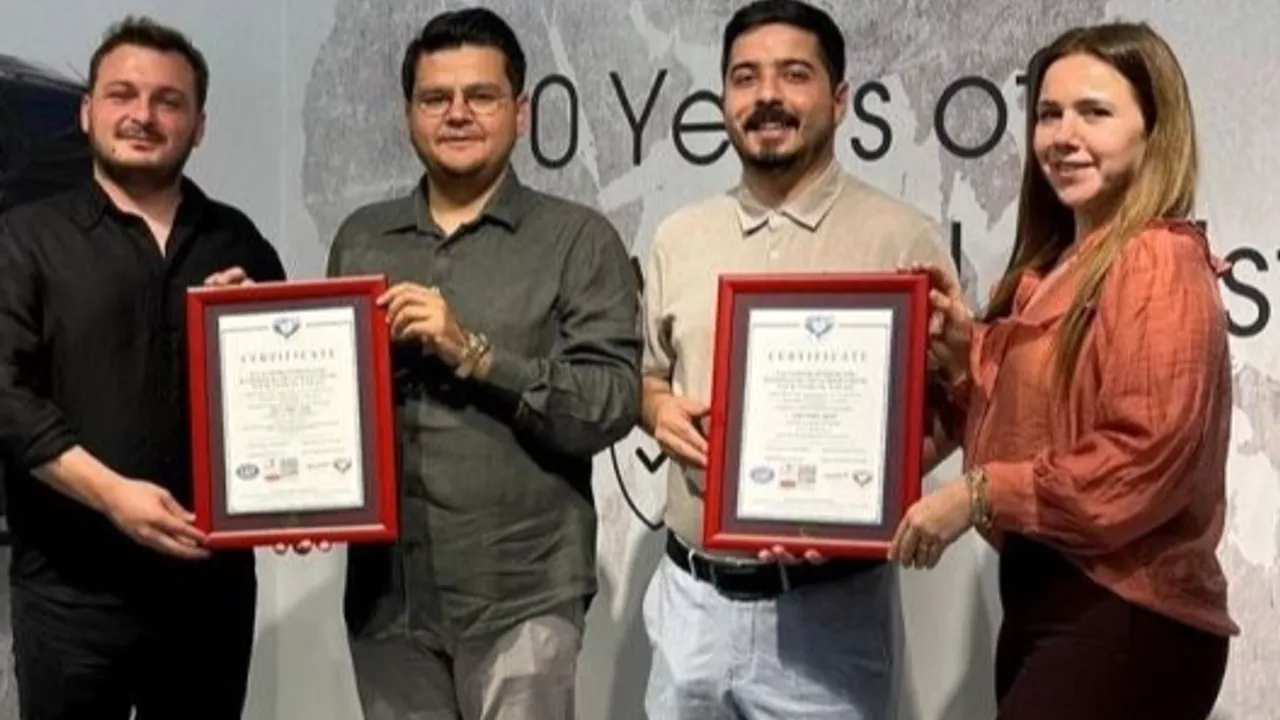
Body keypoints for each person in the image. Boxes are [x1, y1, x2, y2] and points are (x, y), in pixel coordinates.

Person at [888, 21, 1238, 720]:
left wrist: (977, 494)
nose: (1062, 136)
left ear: (1154, 131)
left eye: (1094, 112)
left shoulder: (1155, 259)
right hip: (1056, 604)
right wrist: (965, 361)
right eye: (1049, 114)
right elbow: (1043, 426)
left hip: (1123, 612)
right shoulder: (1054, 270)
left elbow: (1140, 458)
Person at [638, 1, 957, 717]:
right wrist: (656, 410)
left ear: (839, 100)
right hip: (690, 602)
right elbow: (649, 376)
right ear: (723, 99)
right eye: (745, 78)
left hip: (830, 612)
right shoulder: (678, 236)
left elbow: (955, 403)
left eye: (794, 75)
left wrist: (862, 500)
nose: (767, 97)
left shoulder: (902, 240)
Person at [323, 7, 641, 720]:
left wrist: (474, 352)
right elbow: (335, 401)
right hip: (388, 600)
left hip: (520, 593)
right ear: (409, 115)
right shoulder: (362, 238)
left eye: (481, 96)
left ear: (520, 113)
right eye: (436, 98)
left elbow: (609, 402)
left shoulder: (576, 238)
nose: (457, 114)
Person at [0, 16, 286, 720]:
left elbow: (280, 405)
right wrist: (110, 494)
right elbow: (7, 395)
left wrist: (295, 501)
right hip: (70, 596)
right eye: (122, 94)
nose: (143, 116)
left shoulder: (239, 242)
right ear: (87, 111)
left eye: (168, 101)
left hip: (209, 593)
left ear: (199, 125)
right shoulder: (24, 239)